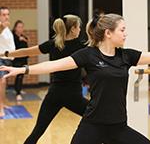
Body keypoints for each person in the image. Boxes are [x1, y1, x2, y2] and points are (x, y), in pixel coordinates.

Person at [0, 13, 150, 144]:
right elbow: (53, 65)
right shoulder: (88, 55)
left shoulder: (126, 56)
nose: (126, 33)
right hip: (92, 125)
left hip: (118, 127)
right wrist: (22, 71)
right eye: (122, 30)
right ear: (108, 33)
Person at [0, 14, 89, 143]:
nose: (80, 30)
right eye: (79, 27)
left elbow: (26, 51)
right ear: (74, 29)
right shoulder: (81, 47)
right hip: (73, 95)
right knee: (98, 118)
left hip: (54, 94)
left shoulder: (54, 43)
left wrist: (6, 53)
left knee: (37, 132)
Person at [0, 6, 15, 117]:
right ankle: (0, 107)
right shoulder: (1, 26)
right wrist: (1, 26)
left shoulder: (7, 29)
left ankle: (3, 103)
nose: (6, 16)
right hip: (0, 59)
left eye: (7, 14)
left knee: (4, 84)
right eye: (4, 14)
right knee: (2, 82)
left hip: (7, 60)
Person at [12, 20, 29, 101]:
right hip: (16, 59)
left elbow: (26, 46)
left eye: (22, 27)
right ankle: (17, 93)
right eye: (19, 27)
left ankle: (18, 89)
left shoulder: (23, 37)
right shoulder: (13, 37)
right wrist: (19, 39)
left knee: (22, 75)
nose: (21, 29)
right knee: (19, 75)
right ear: (15, 28)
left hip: (23, 59)